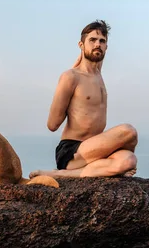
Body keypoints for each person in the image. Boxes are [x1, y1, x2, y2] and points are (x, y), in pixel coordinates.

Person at [29, 20, 138, 179]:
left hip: (96, 151)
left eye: (102, 41)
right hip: (72, 151)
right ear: (81, 44)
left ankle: (68, 175)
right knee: (129, 132)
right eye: (92, 40)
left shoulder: (97, 74)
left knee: (129, 160)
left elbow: (95, 61)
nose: (97, 44)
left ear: (106, 47)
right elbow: (52, 125)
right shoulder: (71, 77)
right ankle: (60, 173)